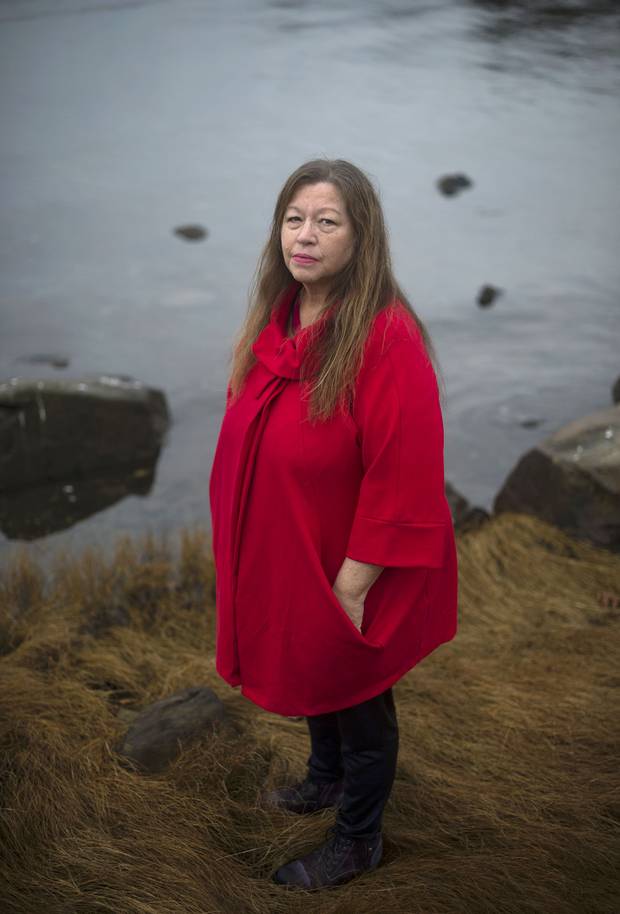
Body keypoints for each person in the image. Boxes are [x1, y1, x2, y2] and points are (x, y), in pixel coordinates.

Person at [208, 158, 458, 890]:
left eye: (326, 221)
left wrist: (352, 586)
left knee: (358, 692)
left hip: (354, 563)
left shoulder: (385, 337)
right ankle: (324, 777)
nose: (305, 236)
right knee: (315, 669)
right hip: (291, 548)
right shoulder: (280, 317)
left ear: (360, 236)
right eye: (294, 220)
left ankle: (358, 839)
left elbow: (403, 472)